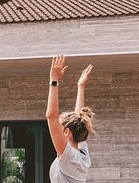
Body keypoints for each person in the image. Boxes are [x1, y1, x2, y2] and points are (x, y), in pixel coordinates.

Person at [46, 54, 95, 183]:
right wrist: (80, 87)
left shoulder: (68, 156)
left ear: (67, 132)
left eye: (60, 126)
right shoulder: (82, 155)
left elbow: (51, 117)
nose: (56, 129)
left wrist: (54, 80)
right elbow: (79, 118)